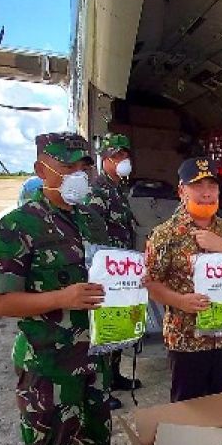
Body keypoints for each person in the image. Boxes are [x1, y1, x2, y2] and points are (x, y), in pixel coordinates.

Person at [0, 132, 132, 445]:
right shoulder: (17, 226)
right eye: (65, 168)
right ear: (41, 171)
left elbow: (112, 272)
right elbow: (2, 303)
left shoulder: (92, 220)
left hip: (94, 353)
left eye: (81, 167)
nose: (76, 175)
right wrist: (61, 297)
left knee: (95, 429)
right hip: (48, 362)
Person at [145, 158, 222, 403]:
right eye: (198, 186)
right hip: (187, 340)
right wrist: (180, 301)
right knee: (187, 412)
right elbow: (151, 283)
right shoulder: (165, 234)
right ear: (182, 190)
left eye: (212, 186)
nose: (206, 193)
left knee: (219, 406)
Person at [81, 132, 142, 410]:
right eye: (116, 156)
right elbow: (94, 238)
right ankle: (99, 389)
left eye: (125, 155)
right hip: (107, 272)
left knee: (119, 326)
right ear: (104, 159)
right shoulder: (97, 191)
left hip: (123, 271)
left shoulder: (118, 189)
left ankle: (115, 377)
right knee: (104, 329)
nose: (122, 160)